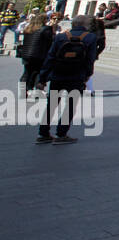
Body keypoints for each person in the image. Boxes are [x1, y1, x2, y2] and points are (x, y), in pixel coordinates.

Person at [35, 14, 97, 144]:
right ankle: (61, 134)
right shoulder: (90, 38)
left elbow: (50, 57)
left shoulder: (61, 37)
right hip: (76, 76)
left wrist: (42, 78)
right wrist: (87, 76)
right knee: (70, 106)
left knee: (51, 105)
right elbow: (90, 60)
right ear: (85, 25)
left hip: (58, 74)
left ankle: (43, 133)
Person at [20, 12, 54, 100]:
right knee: (38, 72)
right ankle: (36, 91)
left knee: (27, 72)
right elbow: (50, 41)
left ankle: (24, 90)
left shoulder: (28, 29)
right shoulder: (45, 29)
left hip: (26, 54)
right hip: (38, 55)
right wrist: (51, 27)